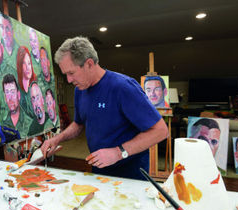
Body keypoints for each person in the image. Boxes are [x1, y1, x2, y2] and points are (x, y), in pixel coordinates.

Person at [40, 37, 168, 180]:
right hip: (100, 169)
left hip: (130, 173)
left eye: (71, 73)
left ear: (89, 64)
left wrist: (118, 153)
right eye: (66, 75)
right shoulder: (80, 90)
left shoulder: (123, 87)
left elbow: (161, 131)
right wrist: (57, 139)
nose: (69, 80)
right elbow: (78, 123)